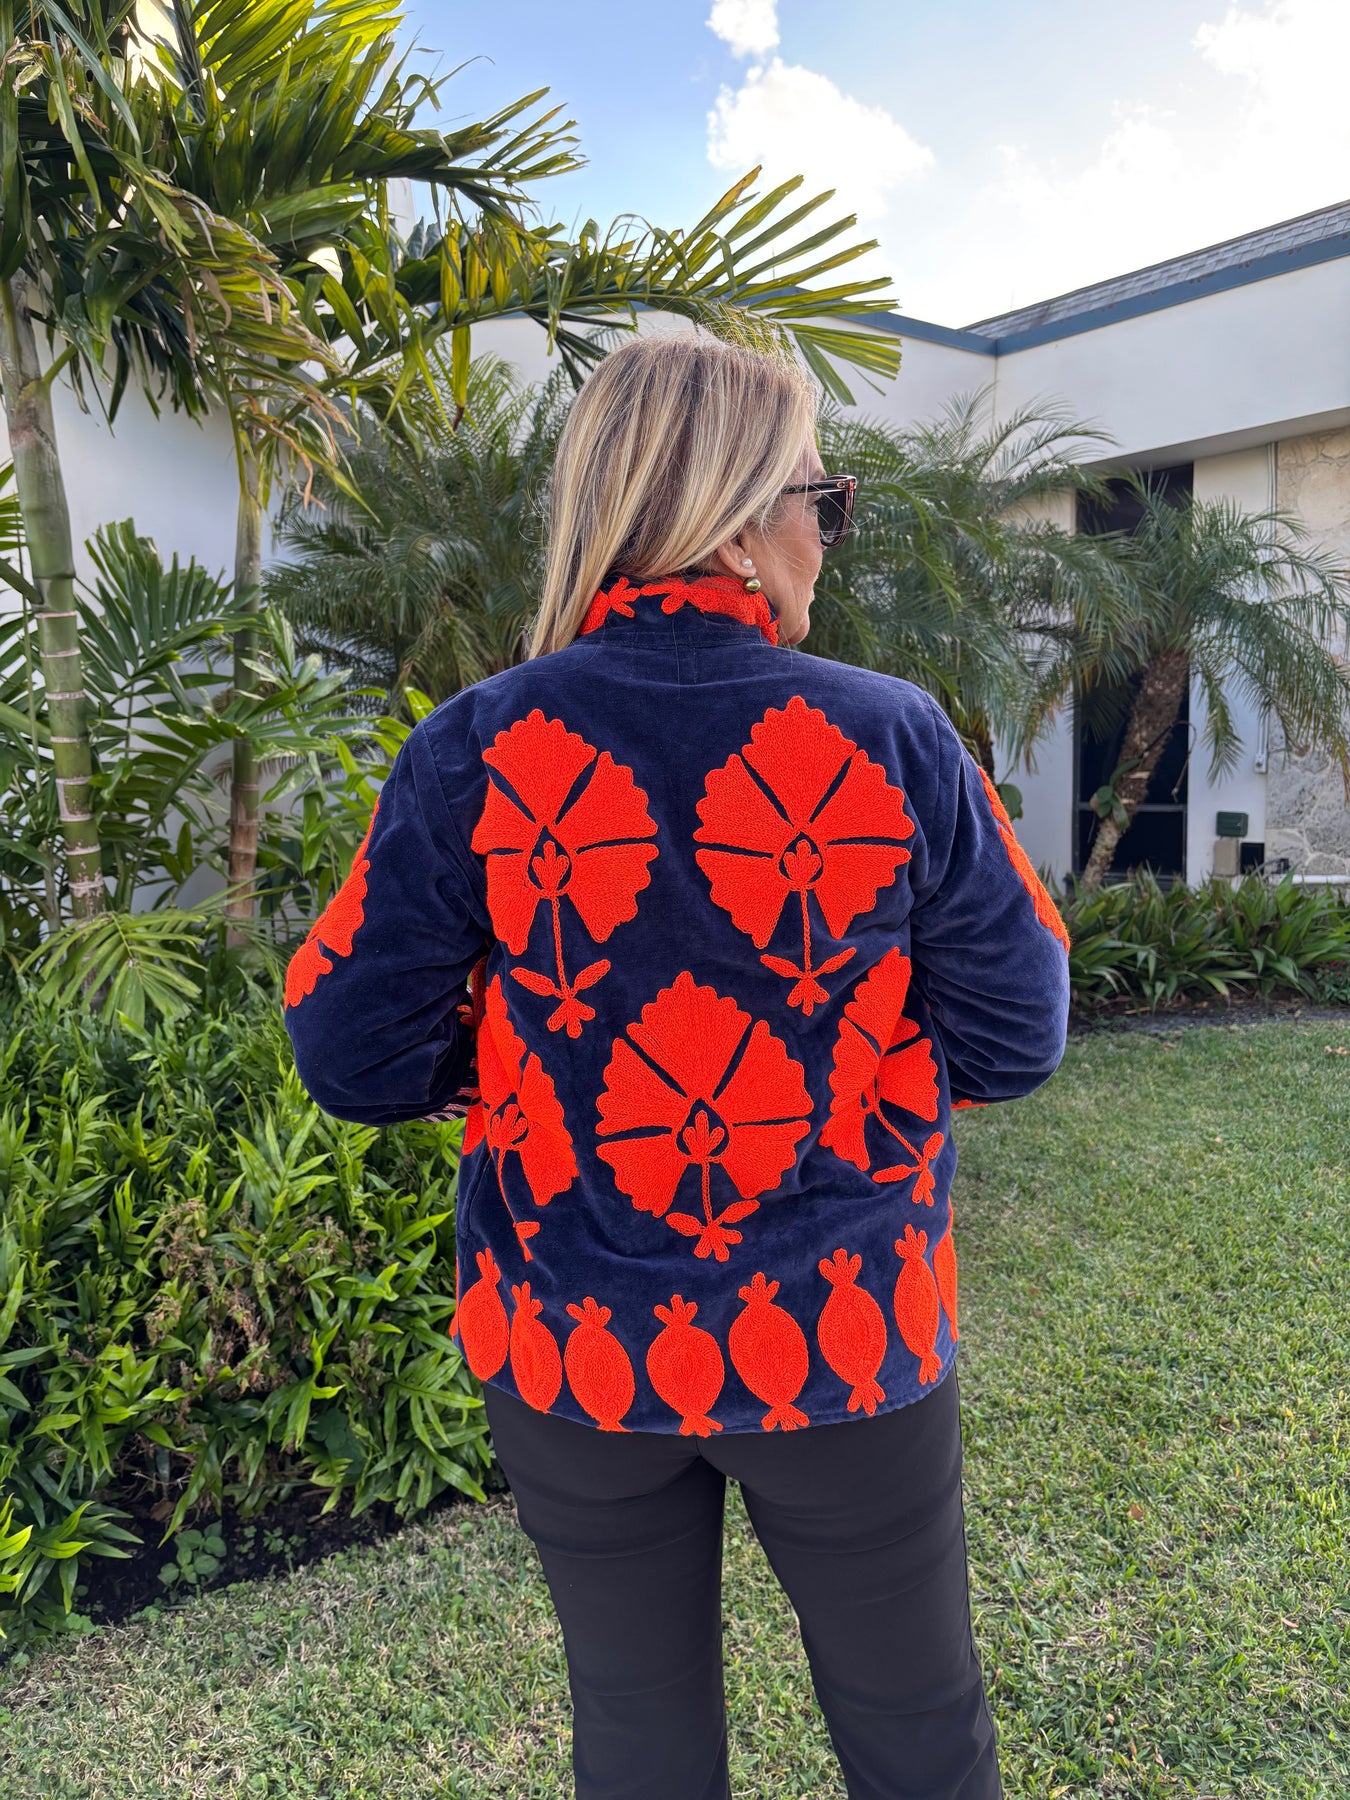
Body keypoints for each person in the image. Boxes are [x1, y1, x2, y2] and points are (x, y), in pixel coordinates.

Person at [283, 333, 1071, 1800]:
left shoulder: (474, 747)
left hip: (570, 1340)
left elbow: (350, 1046)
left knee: (637, 1739)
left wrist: (522, 1069)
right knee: (917, 1731)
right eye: (823, 501)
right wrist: (857, 1058)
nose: (826, 536)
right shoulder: (892, 737)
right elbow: (1017, 1033)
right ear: (741, 515)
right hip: (843, 1328)